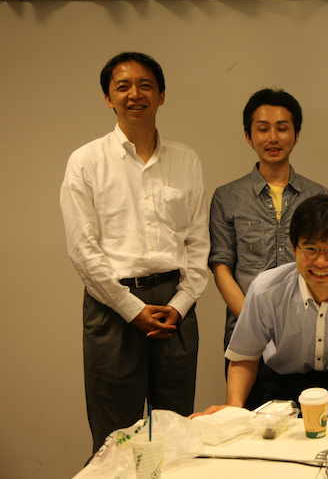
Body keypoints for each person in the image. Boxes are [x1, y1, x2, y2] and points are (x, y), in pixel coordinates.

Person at [60, 52, 209, 454]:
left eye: (145, 85)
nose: (135, 94)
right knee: (116, 438)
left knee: (175, 434)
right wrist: (131, 309)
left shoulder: (186, 160)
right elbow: (82, 250)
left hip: (175, 309)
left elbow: (198, 245)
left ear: (162, 95)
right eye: (122, 87)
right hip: (113, 308)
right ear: (108, 98)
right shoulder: (86, 162)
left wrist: (179, 305)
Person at [209, 195, 328, 418]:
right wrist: (233, 409)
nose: (321, 262)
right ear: (293, 247)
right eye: (310, 248)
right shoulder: (265, 290)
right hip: (281, 387)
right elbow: (244, 356)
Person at [209, 88, 328, 410]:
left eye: (282, 128)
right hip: (245, 338)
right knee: (246, 424)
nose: (273, 137)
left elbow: (326, 266)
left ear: (296, 135)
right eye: (263, 128)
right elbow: (221, 266)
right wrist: (254, 320)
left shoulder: (317, 196)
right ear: (249, 136)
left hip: (305, 336)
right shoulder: (227, 197)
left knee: (307, 424)